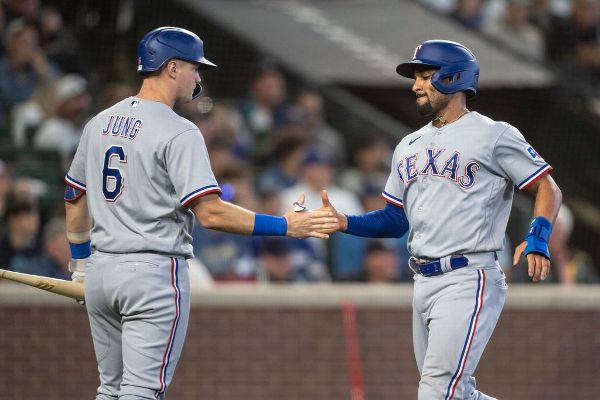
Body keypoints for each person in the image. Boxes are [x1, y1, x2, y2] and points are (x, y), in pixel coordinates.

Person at [63, 26, 337, 400]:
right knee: (141, 391)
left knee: (110, 390)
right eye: (195, 67)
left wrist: (79, 263)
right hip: (152, 272)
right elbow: (211, 214)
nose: (198, 77)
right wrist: (285, 225)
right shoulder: (179, 131)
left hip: (101, 270)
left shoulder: (99, 123)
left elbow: (74, 197)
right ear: (171, 67)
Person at [318, 40, 562, 399]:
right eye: (416, 77)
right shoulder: (409, 144)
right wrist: (346, 222)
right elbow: (395, 219)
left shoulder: (493, 134)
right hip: (424, 280)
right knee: (455, 392)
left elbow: (547, 187)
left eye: (425, 75)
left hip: (468, 274)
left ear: (454, 77)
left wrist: (538, 236)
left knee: (437, 390)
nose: (416, 84)